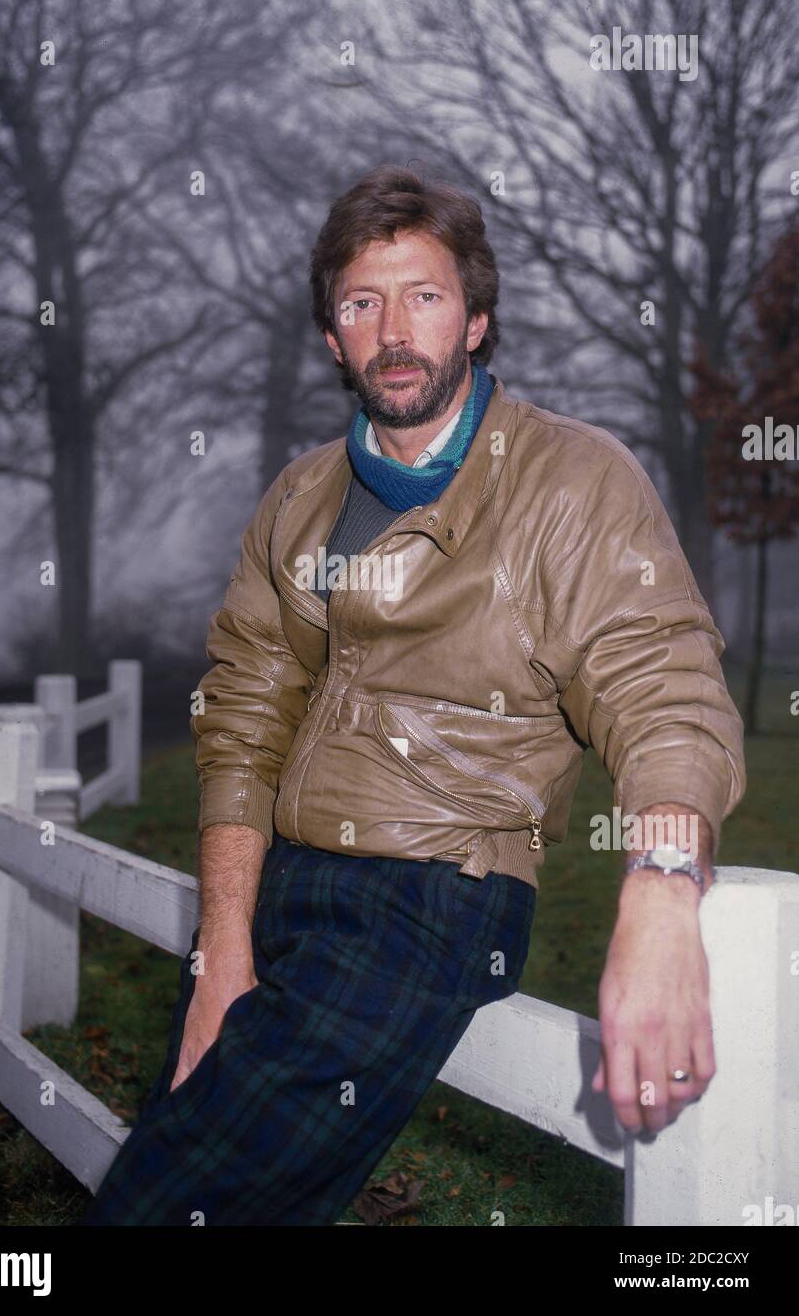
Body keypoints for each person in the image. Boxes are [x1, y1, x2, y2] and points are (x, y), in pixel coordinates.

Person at [80, 165, 746, 1226]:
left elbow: (661, 682)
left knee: (163, 1207)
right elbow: (242, 719)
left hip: (430, 892)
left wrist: (662, 884)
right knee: (200, 1168)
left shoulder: (572, 479)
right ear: (333, 335)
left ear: (476, 320)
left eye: (423, 296)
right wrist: (222, 950)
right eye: (359, 302)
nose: (392, 328)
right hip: (281, 883)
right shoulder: (299, 497)